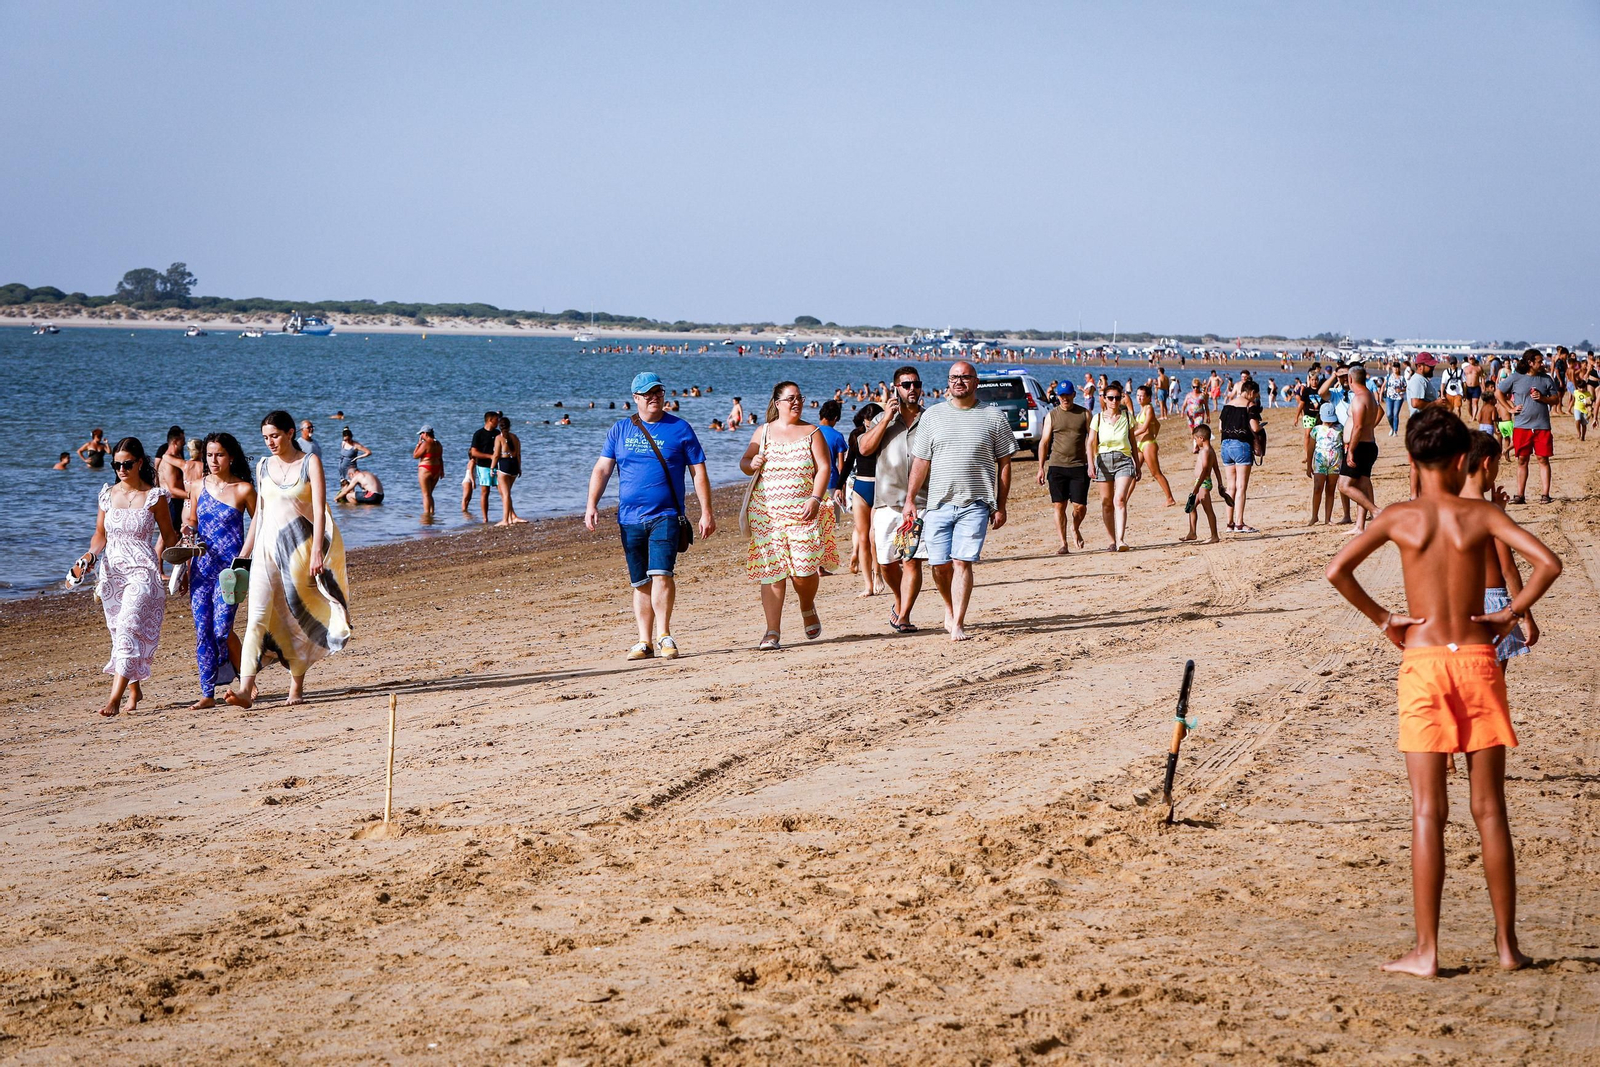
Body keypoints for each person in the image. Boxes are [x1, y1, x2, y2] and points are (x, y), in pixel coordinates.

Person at [1325, 406, 1561, 977]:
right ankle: (1507, 946)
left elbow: (1338, 571)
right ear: (1462, 460)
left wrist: (1386, 620)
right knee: (1490, 809)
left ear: (1410, 460)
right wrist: (1509, 614)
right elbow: (1548, 564)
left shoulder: (1400, 518)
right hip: (1478, 658)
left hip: (1425, 660)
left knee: (1428, 810)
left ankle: (1427, 950)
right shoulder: (1480, 514)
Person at [586, 372, 714, 660]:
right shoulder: (620, 430)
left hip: (666, 515)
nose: (653, 397)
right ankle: (644, 641)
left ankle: (664, 635)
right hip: (629, 518)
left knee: (661, 573)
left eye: (658, 392)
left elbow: (699, 473)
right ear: (635, 399)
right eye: (647, 394)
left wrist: (706, 511)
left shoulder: (680, 429)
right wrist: (591, 504)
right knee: (639, 581)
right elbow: (602, 470)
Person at [227, 410, 351, 709]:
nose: (270, 442)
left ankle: (296, 686)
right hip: (265, 553)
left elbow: (320, 509)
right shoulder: (263, 466)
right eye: (265, 437)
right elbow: (260, 514)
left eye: (275, 436)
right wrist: (245, 554)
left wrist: (318, 552)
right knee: (256, 617)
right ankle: (245, 689)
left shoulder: (310, 462)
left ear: (291, 433)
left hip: (300, 551)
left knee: (295, 618)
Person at [902, 360, 1017, 639]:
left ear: (976, 382)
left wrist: (1000, 506)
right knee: (939, 565)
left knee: (962, 561)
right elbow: (920, 462)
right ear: (947, 382)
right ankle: (949, 607)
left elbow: (1004, 464)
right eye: (954, 377)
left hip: (976, 503)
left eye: (965, 377)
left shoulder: (994, 417)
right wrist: (909, 500)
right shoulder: (932, 416)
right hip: (937, 503)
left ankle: (958, 623)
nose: (959, 382)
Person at [71, 437, 177, 717]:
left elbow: (169, 538)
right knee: (119, 632)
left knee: (129, 626)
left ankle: (114, 699)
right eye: (116, 464)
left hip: (143, 571)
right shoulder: (108, 495)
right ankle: (134, 688)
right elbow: (99, 535)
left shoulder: (155, 497)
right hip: (112, 572)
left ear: (140, 462)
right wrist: (90, 556)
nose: (121, 468)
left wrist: (187, 555)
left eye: (127, 463)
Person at [740, 381, 835, 650]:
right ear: (777, 403)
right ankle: (772, 631)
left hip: (803, 510)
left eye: (799, 398)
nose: (796, 402)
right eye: (790, 398)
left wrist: (816, 498)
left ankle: (807, 605)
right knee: (772, 572)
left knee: (803, 572)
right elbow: (744, 463)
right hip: (767, 513)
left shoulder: (812, 431)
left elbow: (824, 468)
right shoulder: (764, 431)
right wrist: (752, 463)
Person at [185, 432, 256, 709]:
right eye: (210, 455)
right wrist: (187, 531)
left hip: (231, 571)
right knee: (203, 630)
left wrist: (245, 556)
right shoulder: (197, 486)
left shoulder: (244, 489)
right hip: (201, 568)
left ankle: (243, 680)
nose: (214, 460)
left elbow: (259, 523)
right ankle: (207, 693)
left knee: (222, 630)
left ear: (232, 457)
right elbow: (191, 519)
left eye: (220, 455)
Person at [858, 365, 928, 634]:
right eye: (906, 385)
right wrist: (886, 418)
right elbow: (864, 448)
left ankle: (905, 615)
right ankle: (900, 602)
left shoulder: (930, 419)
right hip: (887, 501)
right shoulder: (882, 420)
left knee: (911, 560)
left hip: (920, 501)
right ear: (895, 388)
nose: (912, 389)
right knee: (887, 562)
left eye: (916, 384)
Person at [1462, 432, 1537, 669]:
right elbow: (1508, 570)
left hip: (1458, 605)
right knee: (1491, 689)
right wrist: (1527, 618)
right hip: (1493, 605)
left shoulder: (1445, 512)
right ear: (1487, 462)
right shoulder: (1492, 517)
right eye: (1496, 465)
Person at [1036, 381, 1091, 553]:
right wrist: (1040, 468)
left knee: (1079, 507)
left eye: (1067, 394)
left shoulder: (1084, 414)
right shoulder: (1052, 415)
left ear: (1074, 394)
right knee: (1059, 505)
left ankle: (1075, 527)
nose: (1065, 398)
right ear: (1057, 396)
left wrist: (1093, 462)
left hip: (1079, 466)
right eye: (1061, 395)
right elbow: (1044, 442)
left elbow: (1092, 440)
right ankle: (1063, 543)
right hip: (1057, 465)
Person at [1087, 382, 1141, 551]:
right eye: (1110, 398)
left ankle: (1121, 540)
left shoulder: (1126, 417)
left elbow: (1133, 441)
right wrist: (1090, 464)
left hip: (1123, 460)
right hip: (1103, 461)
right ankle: (1112, 540)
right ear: (1104, 399)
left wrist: (1137, 465)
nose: (1114, 401)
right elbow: (1090, 443)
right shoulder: (1097, 418)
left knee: (1119, 499)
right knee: (1106, 503)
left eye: (1117, 398)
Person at [1504, 349, 1560, 504]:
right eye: (1539, 361)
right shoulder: (1516, 377)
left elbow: (1556, 399)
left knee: (1543, 459)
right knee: (1522, 460)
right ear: (1530, 363)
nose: (1542, 364)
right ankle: (1520, 495)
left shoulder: (1546, 379)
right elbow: (1498, 392)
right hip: (1522, 426)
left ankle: (1545, 494)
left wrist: (1543, 398)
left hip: (1542, 426)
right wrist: (1510, 408)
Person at [841, 403, 883, 597]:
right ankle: (868, 585)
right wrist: (839, 486)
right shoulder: (856, 436)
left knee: (874, 537)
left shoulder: (885, 435)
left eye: (874, 421)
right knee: (863, 537)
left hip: (880, 488)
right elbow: (849, 462)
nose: (870, 425)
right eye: (867, 422)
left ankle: (878, 574)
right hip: (860, 487)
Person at [1338, 365, 1382, 533]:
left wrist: (1350, 450)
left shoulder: (1359, 398)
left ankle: (1376, 511)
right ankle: (1359, 526)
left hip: (1359, 447)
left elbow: (1357, 426)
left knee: (1344, 485)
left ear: (1350, 379)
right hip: (1369, 445)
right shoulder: (1370, 397)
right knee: (1362, 485)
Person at [1218, 380, 1263, 533]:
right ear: (1250, 392)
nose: (1255, 398)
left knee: (1230, 486)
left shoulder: (1228, 405)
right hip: (1241, 445)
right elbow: (1255, 427)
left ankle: (1229, 524)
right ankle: (1239, 523)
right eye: (1255, 395)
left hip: (1225, 445)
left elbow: (1220, 427)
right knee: (1241, 487)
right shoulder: (1250, 406)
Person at [1134, 384, 1177, 507]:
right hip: (1141, 444)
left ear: (1148, 398)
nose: (1139, 398)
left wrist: (1129, 435)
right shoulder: (1142, 409)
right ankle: (1124, 499)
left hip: (1148, 444)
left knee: (1156, 473)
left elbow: (1144, 428)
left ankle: (1170, 498)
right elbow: (1157, 424)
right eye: (1137, 395)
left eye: (1142, 396)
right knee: (1134, 471)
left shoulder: (1149, 409)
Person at [1180, 424, 1223, 544]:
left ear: (1201, 438)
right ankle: (1192, 533)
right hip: (1201, 483)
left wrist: (1196, 488)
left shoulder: (1205, 452)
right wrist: (1220, 484)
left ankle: (1214, 536)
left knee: (1208, 510)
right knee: (1191, 507)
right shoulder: (1210, 450)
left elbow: (1205, 470)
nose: (1195, 441)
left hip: (1202, 484)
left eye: (1195, 439)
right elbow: (1216, 468)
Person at [1406, 354, 1441, 498]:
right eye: (1430, 365)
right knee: (1418, 463)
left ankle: (1420, 495)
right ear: (1420, 366)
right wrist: (1436, 404)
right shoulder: (1418, 380)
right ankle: (1415, 496)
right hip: (1421, 426)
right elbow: (1416, 403)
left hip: (1424, 425)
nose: (1433, 367)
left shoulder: (1422, 380)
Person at [1309, 402, 1344, 525]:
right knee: (1317, 488)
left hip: (1335, 461)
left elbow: (1345, 445)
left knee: (1330, 489)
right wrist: (1308, 465)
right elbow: (1311, 448)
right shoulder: (1316, 430)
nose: (1329, 422)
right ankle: (1314, 516)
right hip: (1320, 461)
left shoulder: (1340, 428)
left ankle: (1328, 518)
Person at [463, 410, 500, 522]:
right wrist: (490, 456)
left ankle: (508, 514)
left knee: (503, 490)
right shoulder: (478, 434)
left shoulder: (497, 433)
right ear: (490, 420)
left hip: (498, 466)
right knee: (485, 492)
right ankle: (485, 518)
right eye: (496, 419)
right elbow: (474, 452)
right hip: (483, 466)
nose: (498, 422)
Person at [490, 415, 526, 525]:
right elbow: (518, 454)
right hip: (514, 465)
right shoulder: (515, 437)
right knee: (507, 493)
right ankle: (512, 517)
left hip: (504, 465)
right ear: (510, 426)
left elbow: (496, 455)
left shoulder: (498, 438)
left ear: (500, 427)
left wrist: (492, 468)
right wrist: (519, 468)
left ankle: (505, 520)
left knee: (505, 494)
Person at [156, 425, 189, 535]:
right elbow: (172, 490)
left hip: (178, 501)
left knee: (175, 535)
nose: (184, 443)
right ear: (175, 441)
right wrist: (192, 495)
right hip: (172, 502)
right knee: (171, 535)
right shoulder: (168, 462)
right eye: (183, 440)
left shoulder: (176, 457)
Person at [413, 425, 443, 519]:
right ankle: (432, 514)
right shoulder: (438, 444)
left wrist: (418, 445)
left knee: (425, 495)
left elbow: (415, 455)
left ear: (425, 433)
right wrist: (442, 470)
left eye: (421, 434)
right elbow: (440, 458)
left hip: (425, 468)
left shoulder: (425, 444)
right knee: (429, 494)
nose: (421, 436)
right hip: (436, 469)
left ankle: (426, 516)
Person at [1383, 362, 1408, 435]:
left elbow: (1406, 387)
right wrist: (1381, 393)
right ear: (1392, 368)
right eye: (1394, 367)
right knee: (1389, 414)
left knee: (1395, 414)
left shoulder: (1402, 378)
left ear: (1399, 369)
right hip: (1389, 397)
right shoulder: (1389, 376)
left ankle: (1395, 431)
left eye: (1397, 367)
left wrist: (1401, 390)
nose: (1395, 369)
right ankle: (1392, 428)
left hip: (1398, 398)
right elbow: (1384, 385)